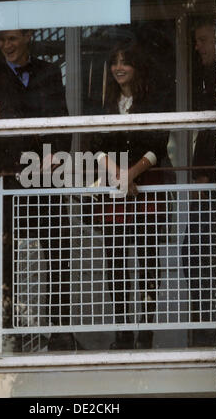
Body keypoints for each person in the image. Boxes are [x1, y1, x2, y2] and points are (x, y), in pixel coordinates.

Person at [0, 29, 76, 351]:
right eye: (2, 39)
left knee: (57, 251)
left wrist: (57, 156)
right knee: (5, 252)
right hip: (5, 175)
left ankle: (59, 329)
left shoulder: (48, 71)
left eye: (13, 39)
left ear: (28, 36)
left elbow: (62, 120)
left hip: (45, 173)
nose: (7, 45)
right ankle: (9, 330)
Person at [92, 42, 169, 349]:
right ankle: (123, 331)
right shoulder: (107, 103)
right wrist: (118, 175)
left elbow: (158, 146)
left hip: (146, 187)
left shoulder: (152, 100)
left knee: (148, 261)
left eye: (125, 62)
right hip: (115, 190)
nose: (118, 68)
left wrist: (131, 174)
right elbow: (96, 145)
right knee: (116, 261)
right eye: (114, 63)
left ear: (137, 67)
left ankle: (146, 332)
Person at [182, 19, 216, 347]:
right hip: (206, 183)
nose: (197, 47)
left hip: (212, 186)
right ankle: (205, 328)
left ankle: (209, 330)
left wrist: (206, 172)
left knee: (195, 253)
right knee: (193, 254)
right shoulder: (208, 78)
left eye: (202, 39)